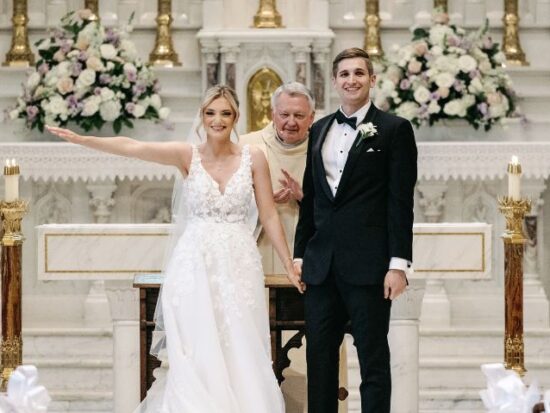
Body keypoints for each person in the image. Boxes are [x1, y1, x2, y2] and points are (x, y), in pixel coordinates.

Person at [46, 85, 304, 413]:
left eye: (225, 113)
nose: (218, 120)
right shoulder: (187, 155)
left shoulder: (253, 157)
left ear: (235, 117)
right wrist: (84, 140)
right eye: (211, 113)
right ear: (202, 116)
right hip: (193, 265)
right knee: (198, 350)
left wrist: (287, 263)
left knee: (241, 346)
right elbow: (133, 146)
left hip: (239, 264)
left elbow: (268, 214)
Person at [293, 47, 418, 413]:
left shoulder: (395, 129)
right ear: (334, 81)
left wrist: (398, 264)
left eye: (359, 73)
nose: (351, 80)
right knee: (318, 361)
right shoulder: (318, 129)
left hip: (369, 266)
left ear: (372, 79)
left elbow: (400, 202)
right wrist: (301, 255)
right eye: (344, 74)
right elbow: (313, 197)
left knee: (373, 360)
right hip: (321, 267)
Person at [241, 81, 314, 274]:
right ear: (273, 115)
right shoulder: (247, 145)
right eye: (284, 115)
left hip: (307, 251)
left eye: (299, 115)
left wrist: (303, 197)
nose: (291, 122)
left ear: (311, 118)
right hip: (256, 247)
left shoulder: (323, 149)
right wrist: (261, 200)